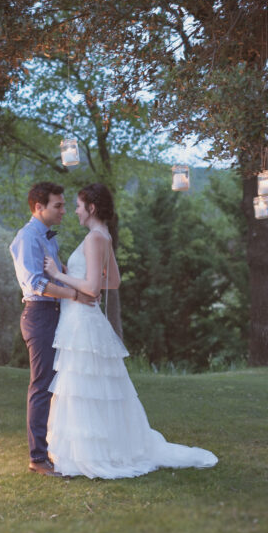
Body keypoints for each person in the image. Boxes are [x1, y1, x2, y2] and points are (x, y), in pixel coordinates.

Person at [41, 183, 218, 479]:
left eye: (78, 205)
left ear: (91, 208)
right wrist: (78, 279)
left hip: (82, 322)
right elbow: (114, 282)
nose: (75, 210)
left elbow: (96, 287)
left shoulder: (95, 238)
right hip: (81, 318)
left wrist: (59, 274)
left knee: (85, 388)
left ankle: (92, 453)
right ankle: (96, 446)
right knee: (92, 388)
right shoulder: (103, 237)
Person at [9, 182, 92, 477]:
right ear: (38, 207)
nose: (64, 210)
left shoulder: (47, 238)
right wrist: (74, 294)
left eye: (64, 204)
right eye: (58, 205)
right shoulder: (26, 238)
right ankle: (38, 458)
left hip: (57, 314)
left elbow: (57, 275)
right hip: (40, 316)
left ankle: (59, 448)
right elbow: (35, 283)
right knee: (42, 386)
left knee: (61, 385)